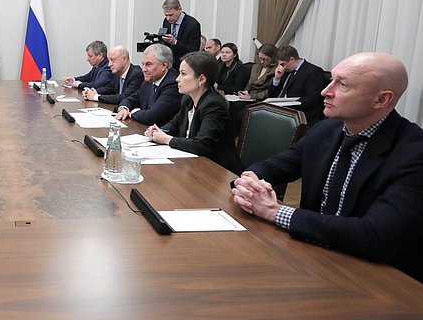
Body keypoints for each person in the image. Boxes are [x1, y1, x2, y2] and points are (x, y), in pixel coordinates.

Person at [232, 52, 423, 282]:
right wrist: (250, 180)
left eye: (342, 84)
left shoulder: (414, 153)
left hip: (378, 281)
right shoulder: (326, 130)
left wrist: (275, 212)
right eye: (331, 79)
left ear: (381, 100)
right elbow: (276, 165)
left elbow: (375, 235)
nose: (325, 91)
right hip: (313, 261)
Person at [146, 52, 241, 174]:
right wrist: (157, 131)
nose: (177, 79)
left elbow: (201, 145)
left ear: (201, 79)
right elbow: (173, 124)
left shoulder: (214, 105)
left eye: (183, 74)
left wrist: (166, 139)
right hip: (191, 163)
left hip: (217, 171)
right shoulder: (188, 99)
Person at [115, 44, 181, 126]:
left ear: (164, 65)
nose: (143, 69)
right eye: (143, 64)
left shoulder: (173, 84)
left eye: (148, 65)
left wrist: (133, 112)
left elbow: (150, 117)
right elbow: (130, 99)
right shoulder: (149, 81)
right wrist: (123, 109)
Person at [268, 45, 328, 125]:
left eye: (283, 64)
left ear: (292, 59)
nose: (282, 67)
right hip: (279, 112)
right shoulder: (284, 71)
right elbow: (271, 95)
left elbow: (311, 99)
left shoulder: (313, 72)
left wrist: (287, 105)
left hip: (300, 115)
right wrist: (277, 79)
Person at [160, 0, 201, 68]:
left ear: (180, 9)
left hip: (185, 64)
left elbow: (193, 51)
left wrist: (175, 43)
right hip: (169, 64)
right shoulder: (166, 21)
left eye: (171, 15)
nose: (168, 18)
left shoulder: (193, 24)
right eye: (166, 15)